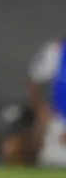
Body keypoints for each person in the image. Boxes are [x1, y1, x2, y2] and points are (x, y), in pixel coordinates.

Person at [23, 37, 66, 167]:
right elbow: (34, 80)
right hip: (60, 122)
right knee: (53, 161)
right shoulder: (56, 51)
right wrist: (41, 111)